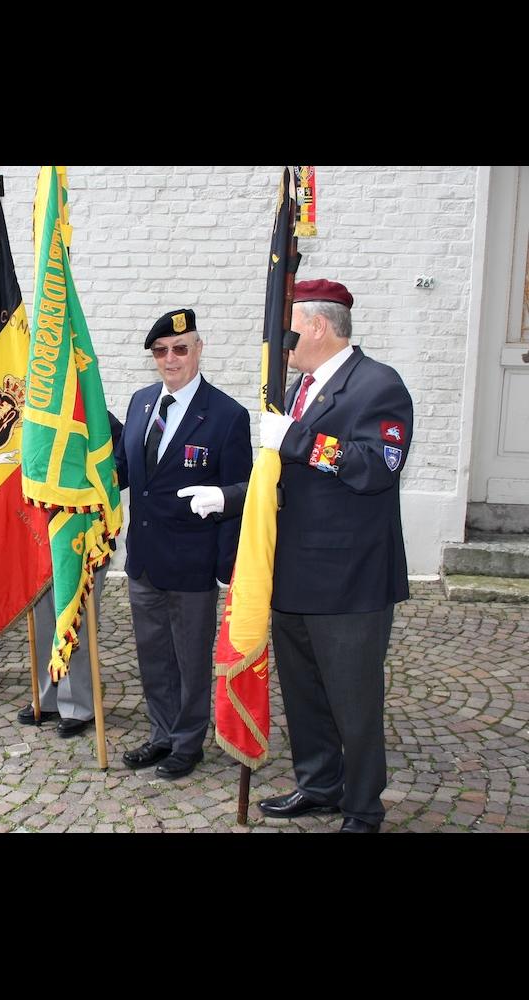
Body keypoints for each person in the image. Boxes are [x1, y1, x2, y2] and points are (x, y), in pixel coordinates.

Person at [255, 278, 412, 833]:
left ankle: (364, 807)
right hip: (294, 571)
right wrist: (226, 500)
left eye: (287, 329)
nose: (280, 341)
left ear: (317, 325)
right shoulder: (298, 388)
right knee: (304, 695)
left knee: (354, 700)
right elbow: (284, 482)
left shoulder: (376, 386)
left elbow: (376, 467)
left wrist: (294, 438)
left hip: (350, 580)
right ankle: (318, 785)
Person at [115, 308, 253, 779]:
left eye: (179, 349)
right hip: (145, 560)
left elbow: (243, 490)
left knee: (191, 658)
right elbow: (126, 471)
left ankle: (188, 742)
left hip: (193, 562)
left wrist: (226, 565)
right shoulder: (140, 402)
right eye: (160, 351)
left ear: (198, 350)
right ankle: (161, 734)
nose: (169, 359)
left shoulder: (226, 415)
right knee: (153, 653)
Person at [16, 412, 123, 737]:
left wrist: (84, 489)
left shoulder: (94, 412)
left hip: (82, 537)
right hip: (39, 533)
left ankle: (78, 704)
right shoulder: (32, 413)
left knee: (77, 618)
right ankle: (47, 697)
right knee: (45, 616)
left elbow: (118, 466)